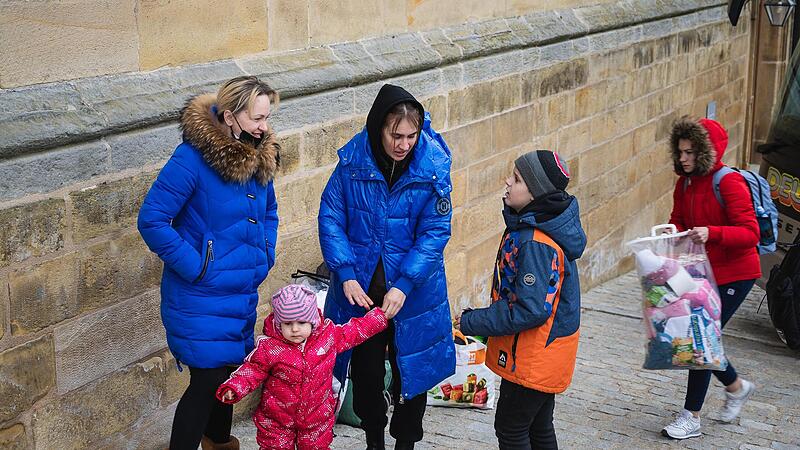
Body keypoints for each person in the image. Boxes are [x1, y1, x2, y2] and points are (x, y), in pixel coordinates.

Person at [138, 76, 280, 450]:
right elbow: (152, 219)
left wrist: (265, 254)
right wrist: (198, 265)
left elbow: (270, 212)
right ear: (231, 116)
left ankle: (217, 443)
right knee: (206, 381)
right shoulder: (192, 159)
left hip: (240, 291)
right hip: (199, 294)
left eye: (267, 117)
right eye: (257, 118)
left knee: (227, 375)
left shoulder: (260, 153)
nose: (265, 127)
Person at [318, 84, 455, 450]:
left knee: (413, 372)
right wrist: (345, 272)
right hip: (362, 294)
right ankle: (374, 442)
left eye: (411, 136)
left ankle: (405, 444)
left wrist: (405, 284)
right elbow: (331, 216)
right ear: (379, 127)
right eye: (396, 135)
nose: (404, 144)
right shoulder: (351, 163)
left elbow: (435, 232)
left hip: (413, 294)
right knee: (365, 374)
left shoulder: (433, 168)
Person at [456, 150, 586, 450]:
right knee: (539, 427)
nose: (507, 182)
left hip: (534, 356)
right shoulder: (530, 230)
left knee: (511, 429)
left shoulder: (537, 243)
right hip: (540, 354)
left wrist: (471, 320)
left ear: (535, 192)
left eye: (516, 179)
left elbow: (529, 310)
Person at [661, 117, 761, 440]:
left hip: (737, 272)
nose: (684, 159)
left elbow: (750, 233)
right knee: (702, 337)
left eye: (690, 152)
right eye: (680, 152)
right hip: (703, 271)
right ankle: (736, 386)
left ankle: (691, 416)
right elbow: (677, 219)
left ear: (705, 151)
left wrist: (712, 233)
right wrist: (669, 233)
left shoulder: (728, 182)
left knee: (700, 338)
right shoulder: (685, 183)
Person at [216, 284, 388, 450]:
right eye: (288, 324)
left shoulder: (328, 337)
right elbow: (252, 370)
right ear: (278, 324)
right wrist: (235, 387)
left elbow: (355, 331)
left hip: (317, 417)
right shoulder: (270, 348)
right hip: (277, 419)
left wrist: (379, 317)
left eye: (301, 323)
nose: (295, 329)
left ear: (313, 321)